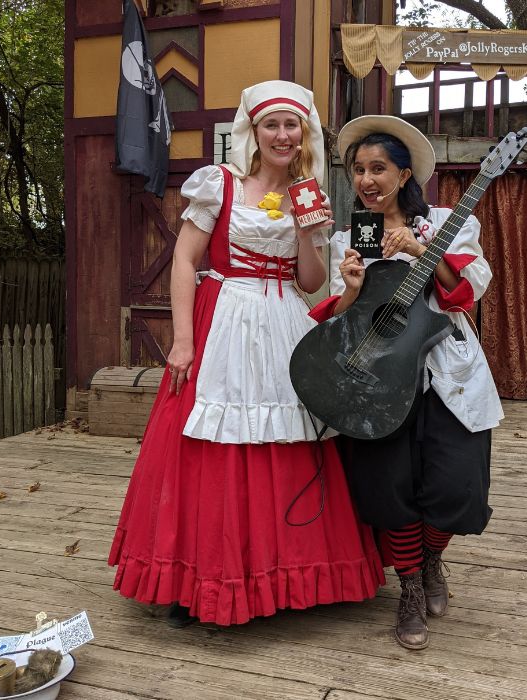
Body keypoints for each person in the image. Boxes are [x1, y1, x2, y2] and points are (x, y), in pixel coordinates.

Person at [108, 81, 384, 628]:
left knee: (284, 444)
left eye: (292, 125)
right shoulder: (222, 185)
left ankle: (281, 578)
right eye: (271, 125)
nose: (283, 135)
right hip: (224, 318)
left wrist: (310, 231)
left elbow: (308, 282)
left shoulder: (310, 194)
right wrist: (183, 339)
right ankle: (198, 581)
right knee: (208, 447)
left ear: (303, 133)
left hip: (282, 318)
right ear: (253, 132)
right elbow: (184, 261)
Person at [308, 115, 503, 650]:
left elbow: (472, 287)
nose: (366, 180)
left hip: (447, 372)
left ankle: (433, 558)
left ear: (403, 173)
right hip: (378, 380)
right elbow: (336, 316)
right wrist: (349, 288)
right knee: (390, 488)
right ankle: (411, 587)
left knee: (456, 484)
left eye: (378, 168)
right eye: (358, 170)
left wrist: (423, 252)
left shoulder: (442, 221)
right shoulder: (350, 236)